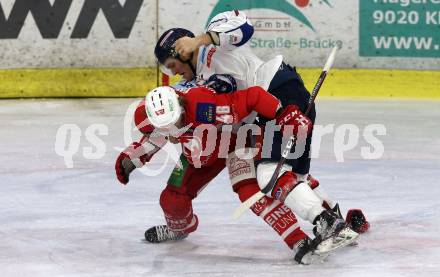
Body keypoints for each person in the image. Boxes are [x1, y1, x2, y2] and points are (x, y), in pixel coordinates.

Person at [154, 10, 369, 236]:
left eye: (172, 64)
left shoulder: (216, 47)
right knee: (294, 175)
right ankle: (339, 220)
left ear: (184, 53)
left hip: (279, 92)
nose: (174, 71)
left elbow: (244, 26)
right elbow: (171, 108)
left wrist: (198, 40)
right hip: (268, 110)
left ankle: (327, 222)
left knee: (268, 173)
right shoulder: (194, 83)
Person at [115, 82, 325, 265]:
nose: (173, 131)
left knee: (251, 192)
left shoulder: (204, 106)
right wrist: (134, 157)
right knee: (171, 200)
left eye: (176, 122)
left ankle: (299, 238)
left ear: (180, 105)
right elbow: (156, 135)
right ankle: (179, 229)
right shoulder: (150, 114)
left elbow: (252, 96)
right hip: (200, 154)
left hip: (234, 141)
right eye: (166, 127)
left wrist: (283, 114)